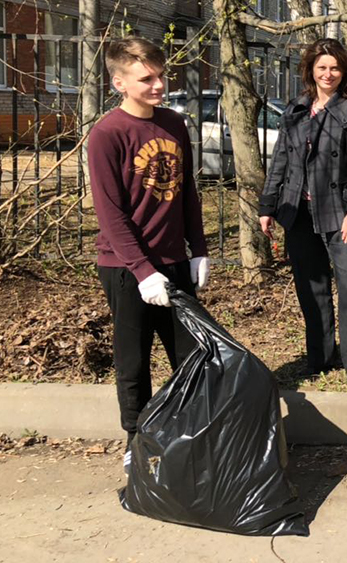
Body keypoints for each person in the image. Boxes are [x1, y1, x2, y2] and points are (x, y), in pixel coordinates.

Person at [87, 37, 210, 471]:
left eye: (161, 76)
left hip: (174, 262)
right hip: (125, 268)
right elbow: (110, 213)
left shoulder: (174, 123)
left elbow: (187, 192)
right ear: (119, 82)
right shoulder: (107, 134)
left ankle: (187, 431)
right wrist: (141, 271)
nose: (159, 85)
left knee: (191, 355)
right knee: (134, 359)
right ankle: (135, 438)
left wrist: (198, 250)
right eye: (147, 79)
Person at [259, 38, 347, 393]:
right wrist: (268, 205)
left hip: (341, 212)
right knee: (312, 288)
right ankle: (321, 357)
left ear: (344, 72)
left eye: (335, 68)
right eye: (322, 67)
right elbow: (280, 160)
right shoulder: (295, 110)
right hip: (298, 211)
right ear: (311, 70)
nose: (328, 74)